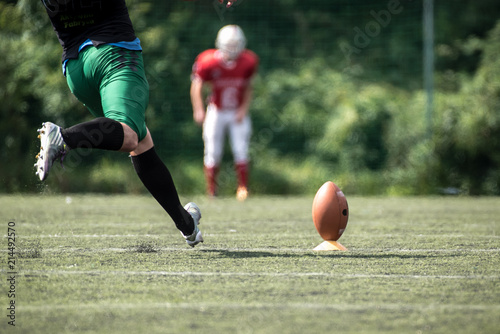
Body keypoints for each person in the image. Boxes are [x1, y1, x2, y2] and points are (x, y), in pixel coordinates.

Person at [34, 0, 243, 246]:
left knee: (140, 141)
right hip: (113, 56)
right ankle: (64, 137)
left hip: (76, 71)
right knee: (130, 135)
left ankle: (187, 225)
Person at [190, 25, 259, 201]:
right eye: (230, 44)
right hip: (216, 110)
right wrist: (198, 109)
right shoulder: (208, 61)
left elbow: (249, 88)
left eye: (236, 44)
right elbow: (197, 86)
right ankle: (212, 190)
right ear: (220, 44)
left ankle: (243, 188)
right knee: (212, 150)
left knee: (241, 149)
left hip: (236, 110)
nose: (233, 48)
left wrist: (243, 109)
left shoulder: (248, 61)